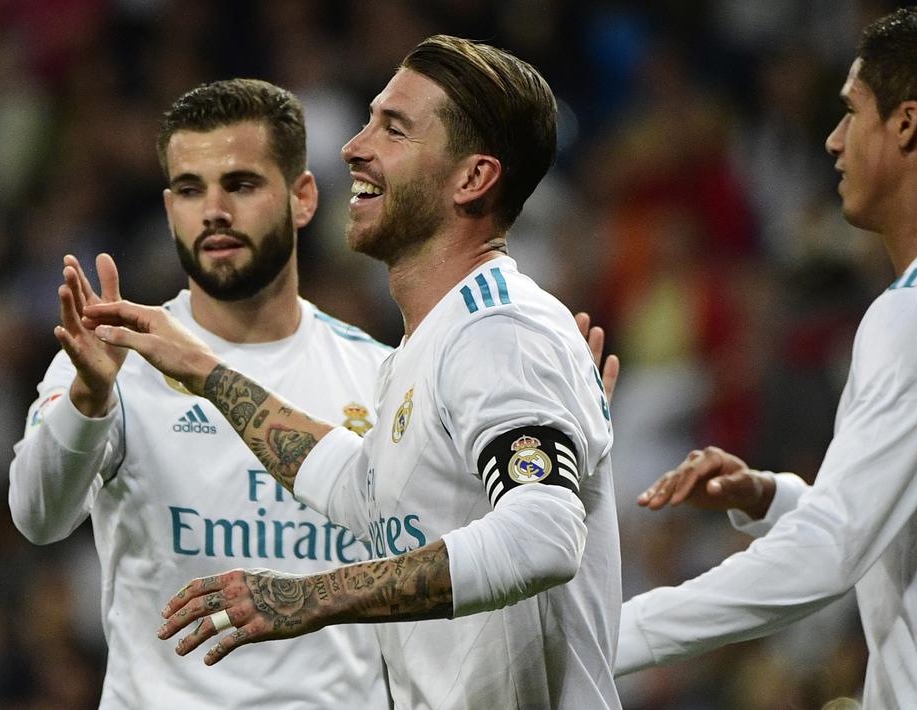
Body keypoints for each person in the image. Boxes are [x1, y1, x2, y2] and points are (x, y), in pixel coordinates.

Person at [83, 35, 623, 709]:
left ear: (472, 178)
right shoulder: (430, 347)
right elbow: (357, 487)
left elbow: (543, 533)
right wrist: (202, 368)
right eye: (368, 119)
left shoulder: (499, 331)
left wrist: (311, 597)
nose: (352, 146)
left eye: (393, 129)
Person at [614, 4, 917, 708]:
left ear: (904, 124)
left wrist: (608, 637)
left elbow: (828, 553)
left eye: (851, 112)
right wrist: (774, 496)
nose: (834, 142)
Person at [8, 78, 395, 709]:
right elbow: (38, 518)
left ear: (302, 198)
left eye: (240, 184)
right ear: (168, 209)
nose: (213, 209)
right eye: (190, 189)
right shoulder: (109, 360)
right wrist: (88, 400)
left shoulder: (377, 373)